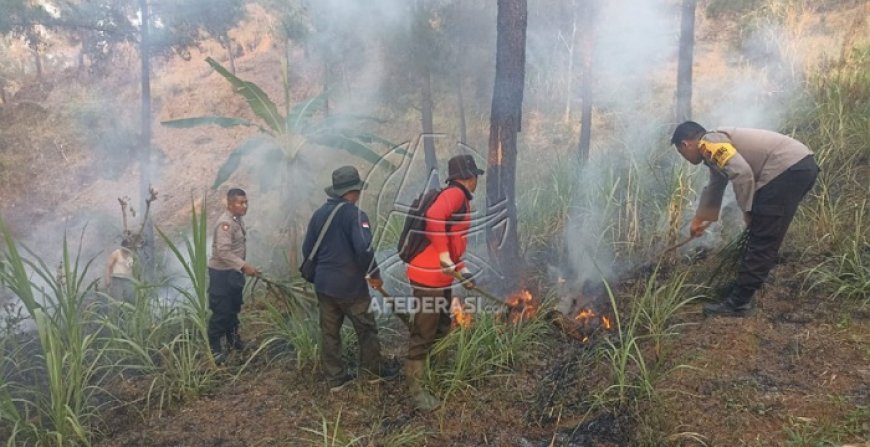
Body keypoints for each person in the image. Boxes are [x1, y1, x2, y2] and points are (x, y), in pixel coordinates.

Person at [671, 121, 819, 317]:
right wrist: (699, 219)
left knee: (763, 236)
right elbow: (716, 184)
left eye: (682, 154)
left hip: (786, 168)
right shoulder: (713, 146)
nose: (686, 158)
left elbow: (742, 173)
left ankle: (739, 302)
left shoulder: (708, 144)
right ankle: (748, 286)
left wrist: (747, 211)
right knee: (765, 231)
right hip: (798, 166)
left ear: (685, 144)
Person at [302, 166, 394, 393]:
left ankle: (336, 379)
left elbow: (307, 249)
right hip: (350, 287)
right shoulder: (356, 215)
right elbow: (364, 250)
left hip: (324, 285)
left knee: (330, 333)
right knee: (367, 329)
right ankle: (373, 373)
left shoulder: (319, 215)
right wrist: (375, 275)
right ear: (353, 191)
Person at [404, 154, 483, 412]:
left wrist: (462, 270)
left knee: (441, 324)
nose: (477, 181)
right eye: (476, 177)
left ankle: (437, 371)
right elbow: (434, 217)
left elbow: (450, 241)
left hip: (440, 277)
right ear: (469, 178)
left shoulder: (457, 199)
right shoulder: (455, 195)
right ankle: (416, 392)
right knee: (424, 332)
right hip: (428, 277)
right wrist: (443, 256)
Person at [207, 188, 258, 363]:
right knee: (221, 312)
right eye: (240, 203)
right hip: (221, 275)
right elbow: (223, 252)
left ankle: (234, 341)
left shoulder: (238, 220)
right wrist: (244, 266)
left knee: (234, 308)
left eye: (246, 202)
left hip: (233, 273)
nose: (244, 206)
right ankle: (215, 350)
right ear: (229, 204)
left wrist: (241, 268)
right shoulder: (225, 224)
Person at [105, 235, 138, 304]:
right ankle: (116, 314)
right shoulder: (116, 253)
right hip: (117, 280)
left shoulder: (131, 255)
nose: (128, 249)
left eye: (130, 247)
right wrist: (107, 279)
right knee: (117, 300)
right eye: (127, 247)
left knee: (130, 299)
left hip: (128, 280)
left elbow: (134, 268)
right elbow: (109, 266)